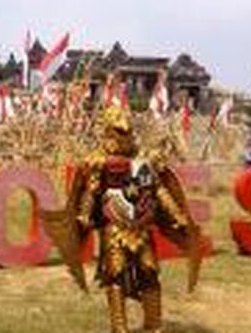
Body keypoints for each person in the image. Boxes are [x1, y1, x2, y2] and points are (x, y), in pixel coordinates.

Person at [42, 106, 201, 333]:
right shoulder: (97, 161)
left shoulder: (142, 161)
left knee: (149, 272)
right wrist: (84, 215)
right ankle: (119, 327)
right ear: (108, 131)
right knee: (114, 275)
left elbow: (157, 189)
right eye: (118, 129)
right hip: (113, 225)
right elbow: (91, 191)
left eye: (126, 129)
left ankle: (153, 325)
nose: (124, 133)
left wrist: (177, 215)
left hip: (141, 226)